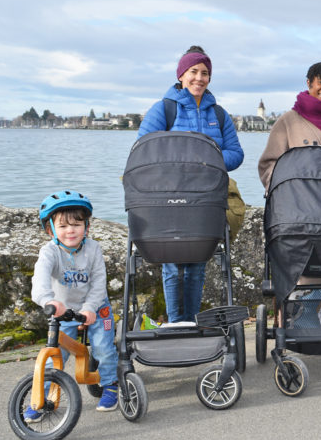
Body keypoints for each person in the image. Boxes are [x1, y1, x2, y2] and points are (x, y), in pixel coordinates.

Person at [138, 45, 244, 323]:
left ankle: (193, 322)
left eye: (205, 73)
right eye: (193, 72)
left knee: (198, 260)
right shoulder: (163, 108)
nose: (199, 78)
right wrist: (184, 161)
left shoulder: (219, 114)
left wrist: (208, 157)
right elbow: (143, 149)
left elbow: (236, 154)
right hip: (170, 195)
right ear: (181, 75)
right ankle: (175, 323)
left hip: (207, 196)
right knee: (173, 263)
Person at [29, 190, 118, 419]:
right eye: (63, 226)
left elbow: (99, 283)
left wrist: (90, 308)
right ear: (50, 230)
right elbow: (39, 280)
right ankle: (42, 397)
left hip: (97, 307)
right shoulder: (49, 252)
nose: (71, 230)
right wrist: (49, 300)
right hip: (64, 310)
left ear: (86, 227)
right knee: (55, 354)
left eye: (77, 224)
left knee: (103, 348)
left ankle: (110, 385)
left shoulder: (93, 249)